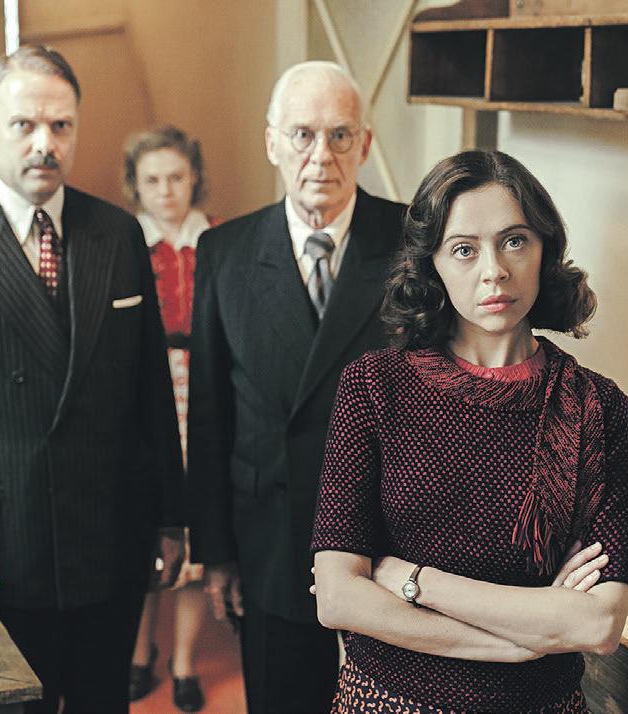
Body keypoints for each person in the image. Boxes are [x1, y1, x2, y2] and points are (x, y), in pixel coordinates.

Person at [0, 45, 185, 714]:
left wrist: (170, 518)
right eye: (24, 124)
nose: (45, 143)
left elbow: (151, 393)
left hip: (110, 540)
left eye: (61, 125)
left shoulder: (117, 234)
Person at [311, 149, 628, 713]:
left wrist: (414, 580)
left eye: (514, 241)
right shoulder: (373, 386)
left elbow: (597, 623)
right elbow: (339, 597)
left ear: (545, 250)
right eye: (464, 249)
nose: (494, 270)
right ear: (433, 265)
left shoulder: (599, 408)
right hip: (388, 702)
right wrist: (524, 641)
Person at [187, 61, 408, 713]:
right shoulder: (224, 252)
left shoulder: (413, 242)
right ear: (272, 142)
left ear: (365, 145)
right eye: (303, 135)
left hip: (390, 540)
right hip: (270, 538)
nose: (321, 155)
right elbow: (210, 415)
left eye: (340, 135)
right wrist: (217, 554)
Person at [122, 125, 219, 713]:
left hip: (202, 392)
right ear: (135, 185)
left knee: (195, 530)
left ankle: (184, 661)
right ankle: (138, 654)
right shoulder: (125, 242)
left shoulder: (216, 240)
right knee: (144, 525)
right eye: (152, 179)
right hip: (145, 395)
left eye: (176, 177)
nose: (165, 190)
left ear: (194, 178)